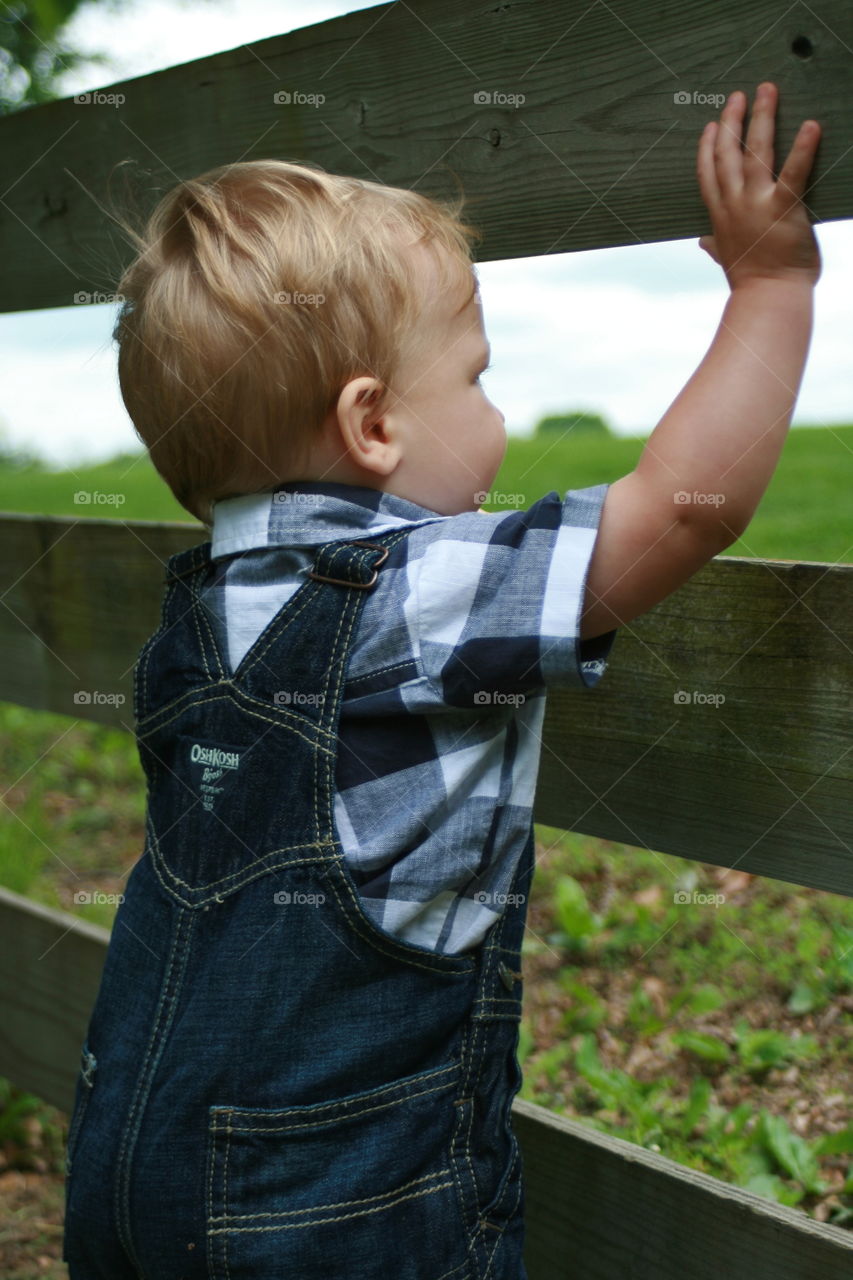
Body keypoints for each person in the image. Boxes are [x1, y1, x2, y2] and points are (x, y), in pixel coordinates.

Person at [63, 81, 821, 1278]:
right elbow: (686, 507)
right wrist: (772, 287)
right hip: (329, 1206)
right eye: (474, 379)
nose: (501, 417)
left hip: (126, 1159)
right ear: (372, 426)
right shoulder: (416, 592)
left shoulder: (196, 609)